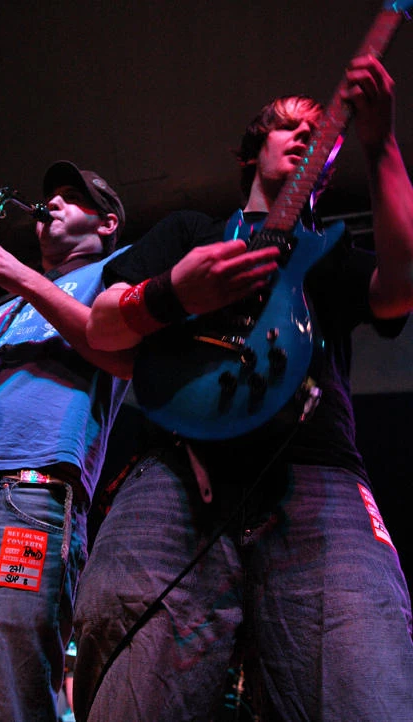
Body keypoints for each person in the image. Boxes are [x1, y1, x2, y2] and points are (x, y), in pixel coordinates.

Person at [72, 54, 413, 722]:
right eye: (288, 124)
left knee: (363, 683)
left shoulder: (329, 249)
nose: (305, 133)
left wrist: (381, 146)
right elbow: (101, 326)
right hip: (174, 472)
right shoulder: (190, 231)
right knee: (135, 685)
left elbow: (400, 289)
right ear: (254, 149)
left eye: (319, 131)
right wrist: (172, 294)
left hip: (317, 478)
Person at [0, 161, 132, 722]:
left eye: (72, 196)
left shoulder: (118, 275)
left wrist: (21, 277)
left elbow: (117, 352)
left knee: (8, 699)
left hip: (25, 496)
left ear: (107, 223)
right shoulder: (2, 312)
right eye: (52, 196)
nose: (53, 204)